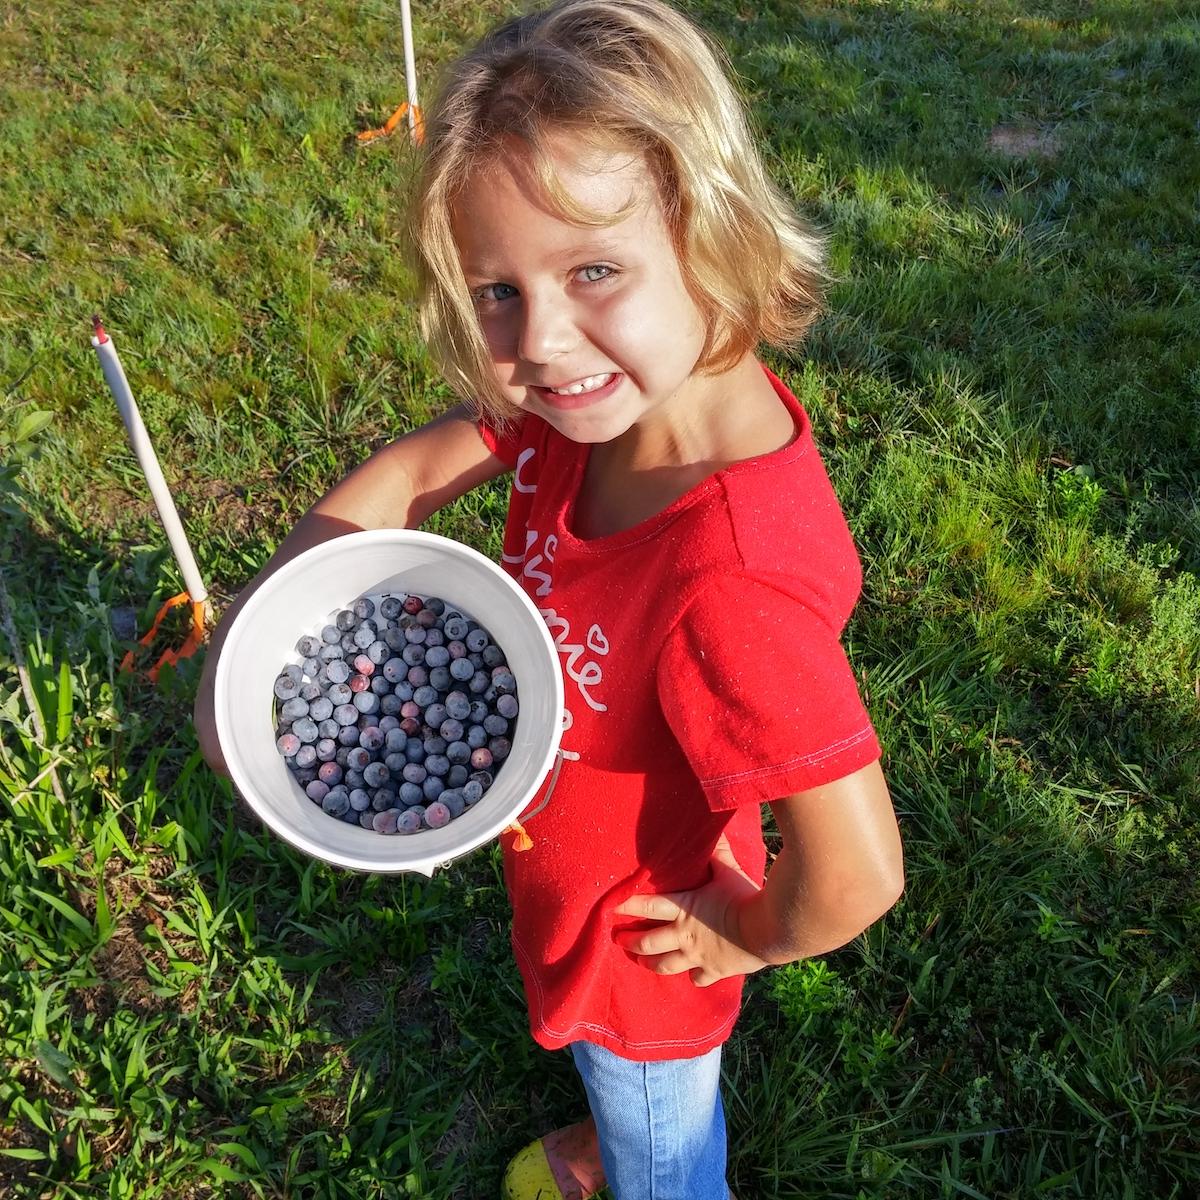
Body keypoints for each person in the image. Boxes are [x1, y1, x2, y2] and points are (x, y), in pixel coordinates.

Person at [194, 1, 905, 1196]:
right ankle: (611, 1132)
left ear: (714, 234)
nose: (544, 343)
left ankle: (647, 1171)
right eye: (498, 292)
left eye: (593, 271)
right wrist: (283, 608)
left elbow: (857, 875)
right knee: (616, 1091)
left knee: (653, 1113)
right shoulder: (606, 398)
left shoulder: (726, 583)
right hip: (565, 869)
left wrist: (741, 934)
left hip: (635, 958)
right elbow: (419, 469)